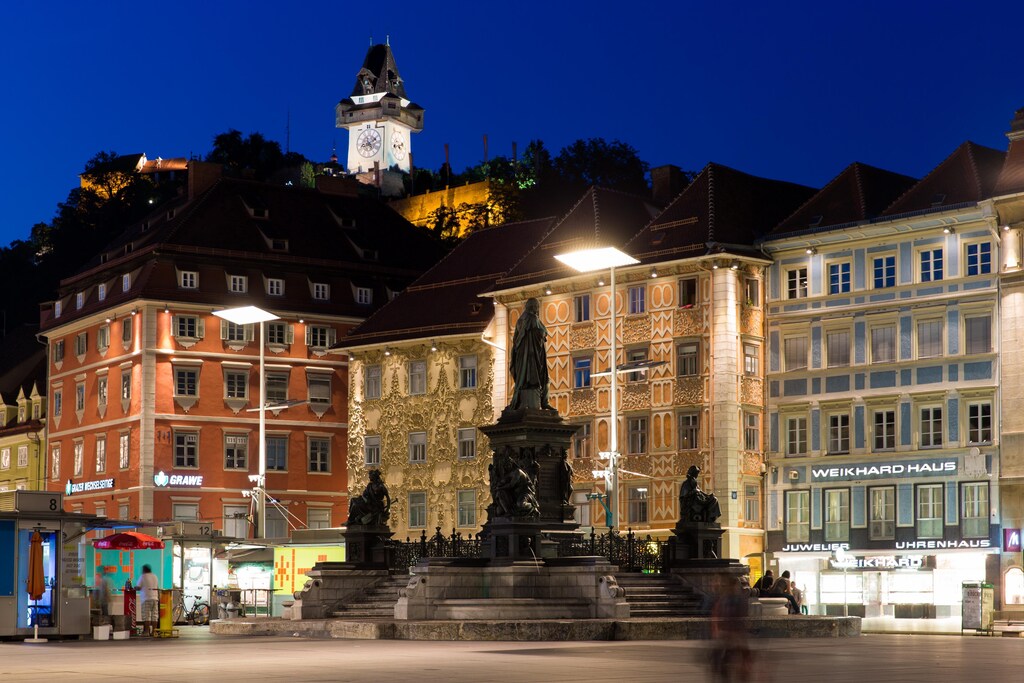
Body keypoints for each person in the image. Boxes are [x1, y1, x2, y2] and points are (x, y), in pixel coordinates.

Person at [508, 298, 553, 411]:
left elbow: (515, 340)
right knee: (544, 378)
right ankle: (544, 402)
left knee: (532, 379)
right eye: (537, 307)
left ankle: (540, 401)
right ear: (533, 307)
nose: (537, 309)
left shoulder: (520, 320)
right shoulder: (532, 318)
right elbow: (542, 333)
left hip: (522, 356)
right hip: (532, 356)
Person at [135, 564, 159, 636]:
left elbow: (138, 587)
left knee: (146, 616)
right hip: (155, 598)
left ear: (144, 570)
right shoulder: (155, 576)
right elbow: (157, 587)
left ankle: (146, 632)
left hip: (146, 598)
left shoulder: (143, 576)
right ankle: (154, 632)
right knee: (154, 616)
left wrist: (134, 587)